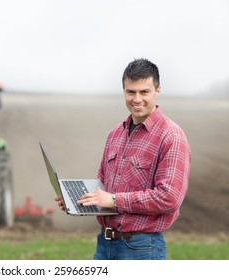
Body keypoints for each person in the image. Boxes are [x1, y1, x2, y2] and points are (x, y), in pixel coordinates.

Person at [55, 58, 191, 260]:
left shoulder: (171, 136)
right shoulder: (115, 134)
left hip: (142, 249)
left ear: (157, 91)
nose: (137, 99)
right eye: (130, 92)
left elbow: (168, 197)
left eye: (144, 92)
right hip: (104, 245)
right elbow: (104, 187)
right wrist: (78, 201)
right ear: (124, 92)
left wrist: (113, 200)